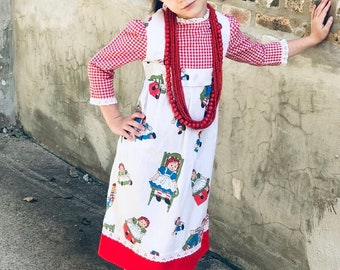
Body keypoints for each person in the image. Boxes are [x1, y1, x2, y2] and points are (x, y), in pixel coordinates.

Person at [88, 0, 333, 269]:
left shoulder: (223, 29)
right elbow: (99, 65)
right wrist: (114, 119)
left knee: (181, 220)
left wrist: (311, 39)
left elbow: (261, 54)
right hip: (150, 150)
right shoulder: (149, 31)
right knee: (145, 218)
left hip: (194, 152)